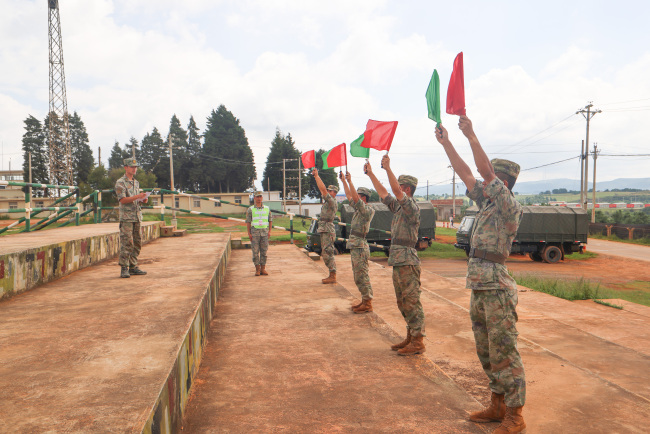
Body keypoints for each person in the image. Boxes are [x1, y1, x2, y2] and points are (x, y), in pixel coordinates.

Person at [436, 116, 526, 434]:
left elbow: (483, 171)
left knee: (504, 349)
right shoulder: (487, 202)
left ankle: (515, 415)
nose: (484, 183)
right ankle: (497, 404)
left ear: (501, 182)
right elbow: (466, 172)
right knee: (486, 348)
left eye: (491, 180)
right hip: (479, 284)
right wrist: (447, 142)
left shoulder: (508, 205)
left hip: (497, 286)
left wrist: (470, 134)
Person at [365, 155, 426, 355]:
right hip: (399, 260)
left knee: (411, 300)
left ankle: (418, 341)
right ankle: (410, 336)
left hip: (408, 260)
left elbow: (394, 191)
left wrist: (388, 169)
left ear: (407, 189)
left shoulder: (411, 208)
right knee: (402, 301)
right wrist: (372, 174)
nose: (396, 188)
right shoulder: (399, 207)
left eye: (400, 186)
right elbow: (384, 193)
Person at [339, 171, 375, 313]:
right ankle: (364, 300)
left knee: (362, 275)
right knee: (357, 275)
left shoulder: (367, 210)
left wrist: (350, 181)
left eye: (358, 196)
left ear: (363, 198)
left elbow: (353, 198)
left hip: (360, 246)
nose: (355, 198)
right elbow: (349, 196)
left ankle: (368, 302)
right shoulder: (359, 209)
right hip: (355, 245)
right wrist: (344, 181)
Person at [115, 158, 148, 278]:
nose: (134, 169)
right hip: (126, 218)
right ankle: (124, 268)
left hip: (137, 217)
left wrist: (142, 199)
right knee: (127, 243)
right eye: (132, 167)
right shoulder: (120, 183)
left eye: (136, 167)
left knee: (137, 242)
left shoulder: (136, 182)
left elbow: (136, 199)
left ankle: (133, 266)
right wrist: (136, 196)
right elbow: (123, 200)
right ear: (126, 168)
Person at [312, 168, 338, 284]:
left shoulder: (332, 201)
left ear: (334, 193)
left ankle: (333, 274)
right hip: (325, 228)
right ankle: (331, 274)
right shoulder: (328, 202)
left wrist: (316, 176)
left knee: (328, 252)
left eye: (330, 191)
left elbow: (322, 189)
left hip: (327, 229)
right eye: (328, 190)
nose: (327, 192)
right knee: (325, 252)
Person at [246, 191, 272, 276]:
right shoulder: (250, 209)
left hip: (264, 233)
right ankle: (257, 269)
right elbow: (248, 222)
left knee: (264, 252)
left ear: (262, 198)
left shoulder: (267, 208)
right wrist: (249, 233)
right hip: (255, 233)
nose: (259, 198)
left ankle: (263, 269)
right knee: (255, 252)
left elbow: (270, 220)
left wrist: (269, 231)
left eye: (260, 197)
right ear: (254, 198)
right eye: (257, 197)